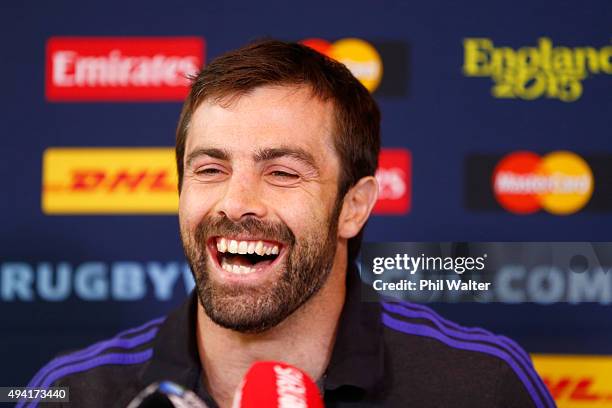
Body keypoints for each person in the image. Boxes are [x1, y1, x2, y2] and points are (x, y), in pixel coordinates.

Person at [23, 40, 554, 408]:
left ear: (354, 206)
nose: (235, 202)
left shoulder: (481, 385)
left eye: (281, 172)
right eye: (211, 169)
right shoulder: (72, 390)